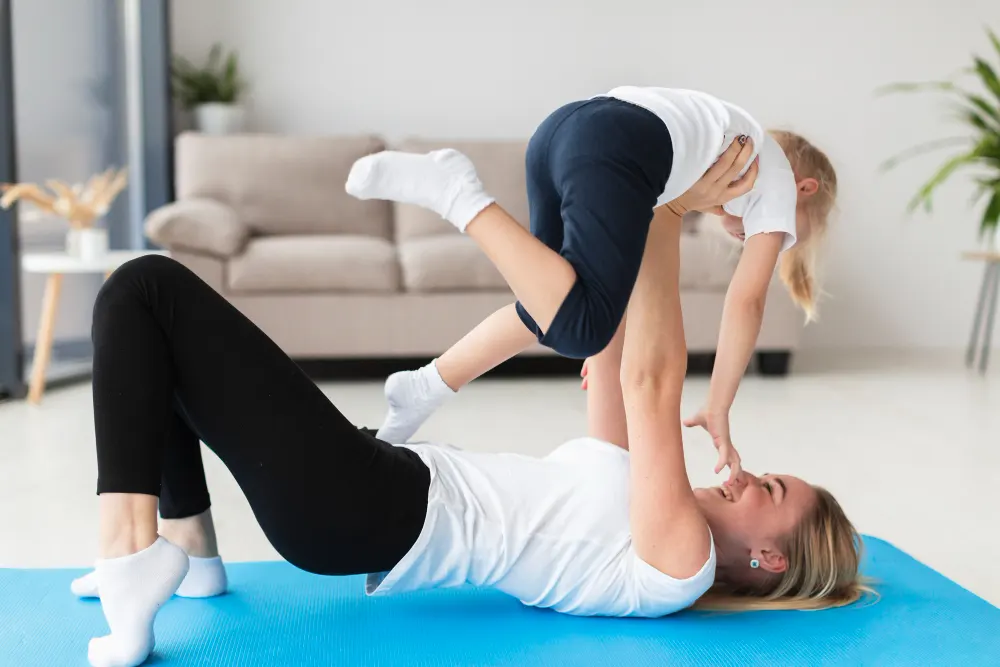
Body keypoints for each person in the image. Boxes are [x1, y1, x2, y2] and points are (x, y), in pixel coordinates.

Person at [80, 147, 861, 667]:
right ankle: (190, 550)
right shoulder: (645, 500)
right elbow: (611, 341)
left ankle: (127, 555)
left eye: (773, 492)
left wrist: (661, 207)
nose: (750, 477)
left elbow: (653, 381)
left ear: (771, 558)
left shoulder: (681, 561)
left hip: (365, 503)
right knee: (161, 336)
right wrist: (666, 195)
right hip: (374, 482)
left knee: (144, 288)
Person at [344, 88, 837, 480]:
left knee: (548, 304)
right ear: (804, 189)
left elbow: (624, 261)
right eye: (783, 234)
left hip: (562, 130)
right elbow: (746, 300)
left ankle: (427, 385)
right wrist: (719, 404)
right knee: (582, 329)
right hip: (615, 144)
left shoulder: (726, 142)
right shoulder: (772, 176)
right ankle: (455, 192)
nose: (757, 237)